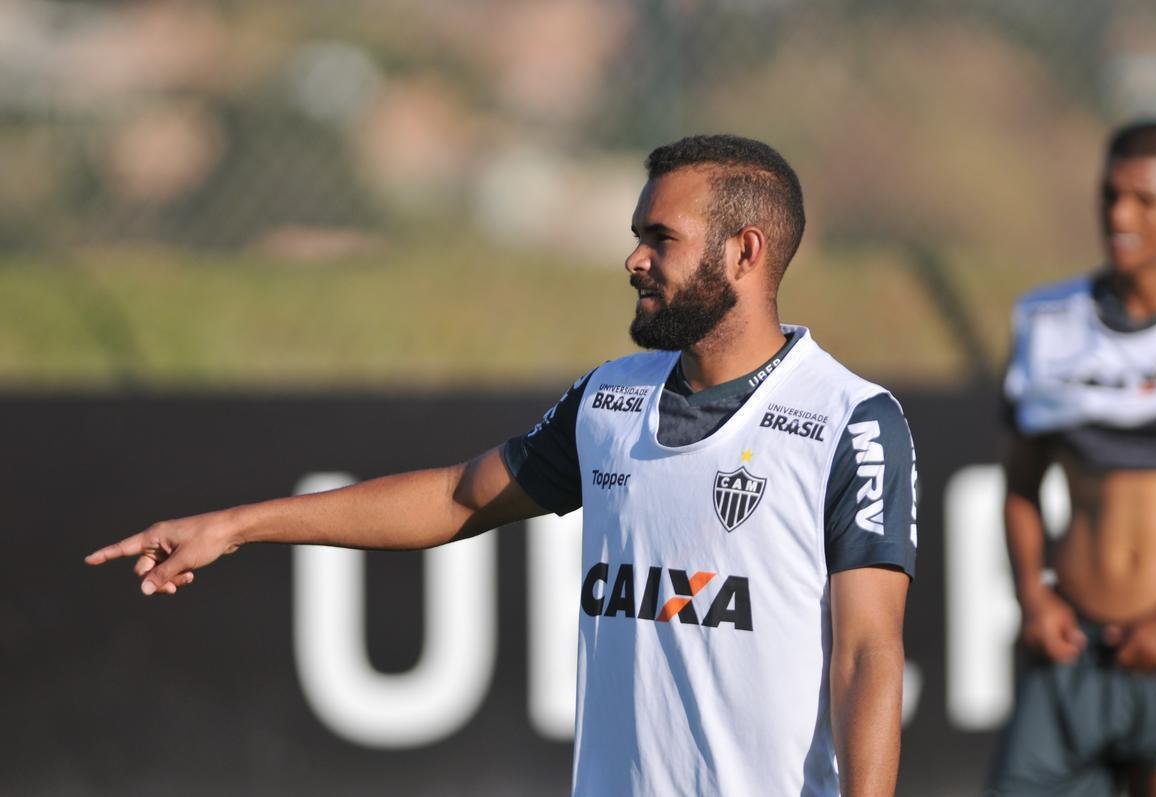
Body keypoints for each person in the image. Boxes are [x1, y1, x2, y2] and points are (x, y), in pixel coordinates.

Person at [87, 134, 917, 796]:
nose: (633, 260)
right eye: (636, 237)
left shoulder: (850, 419)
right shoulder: (609, 399)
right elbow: (455, 497)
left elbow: (868, 653)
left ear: (744, 252)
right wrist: (237, 526)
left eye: (659, 239)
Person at [991, 121, 1156, 797]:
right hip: (1072, 646)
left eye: (1145, 198)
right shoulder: (1047, 321)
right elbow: (1021, 486)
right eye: (1109, 194)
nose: (1119, 215)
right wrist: (1033, 594)